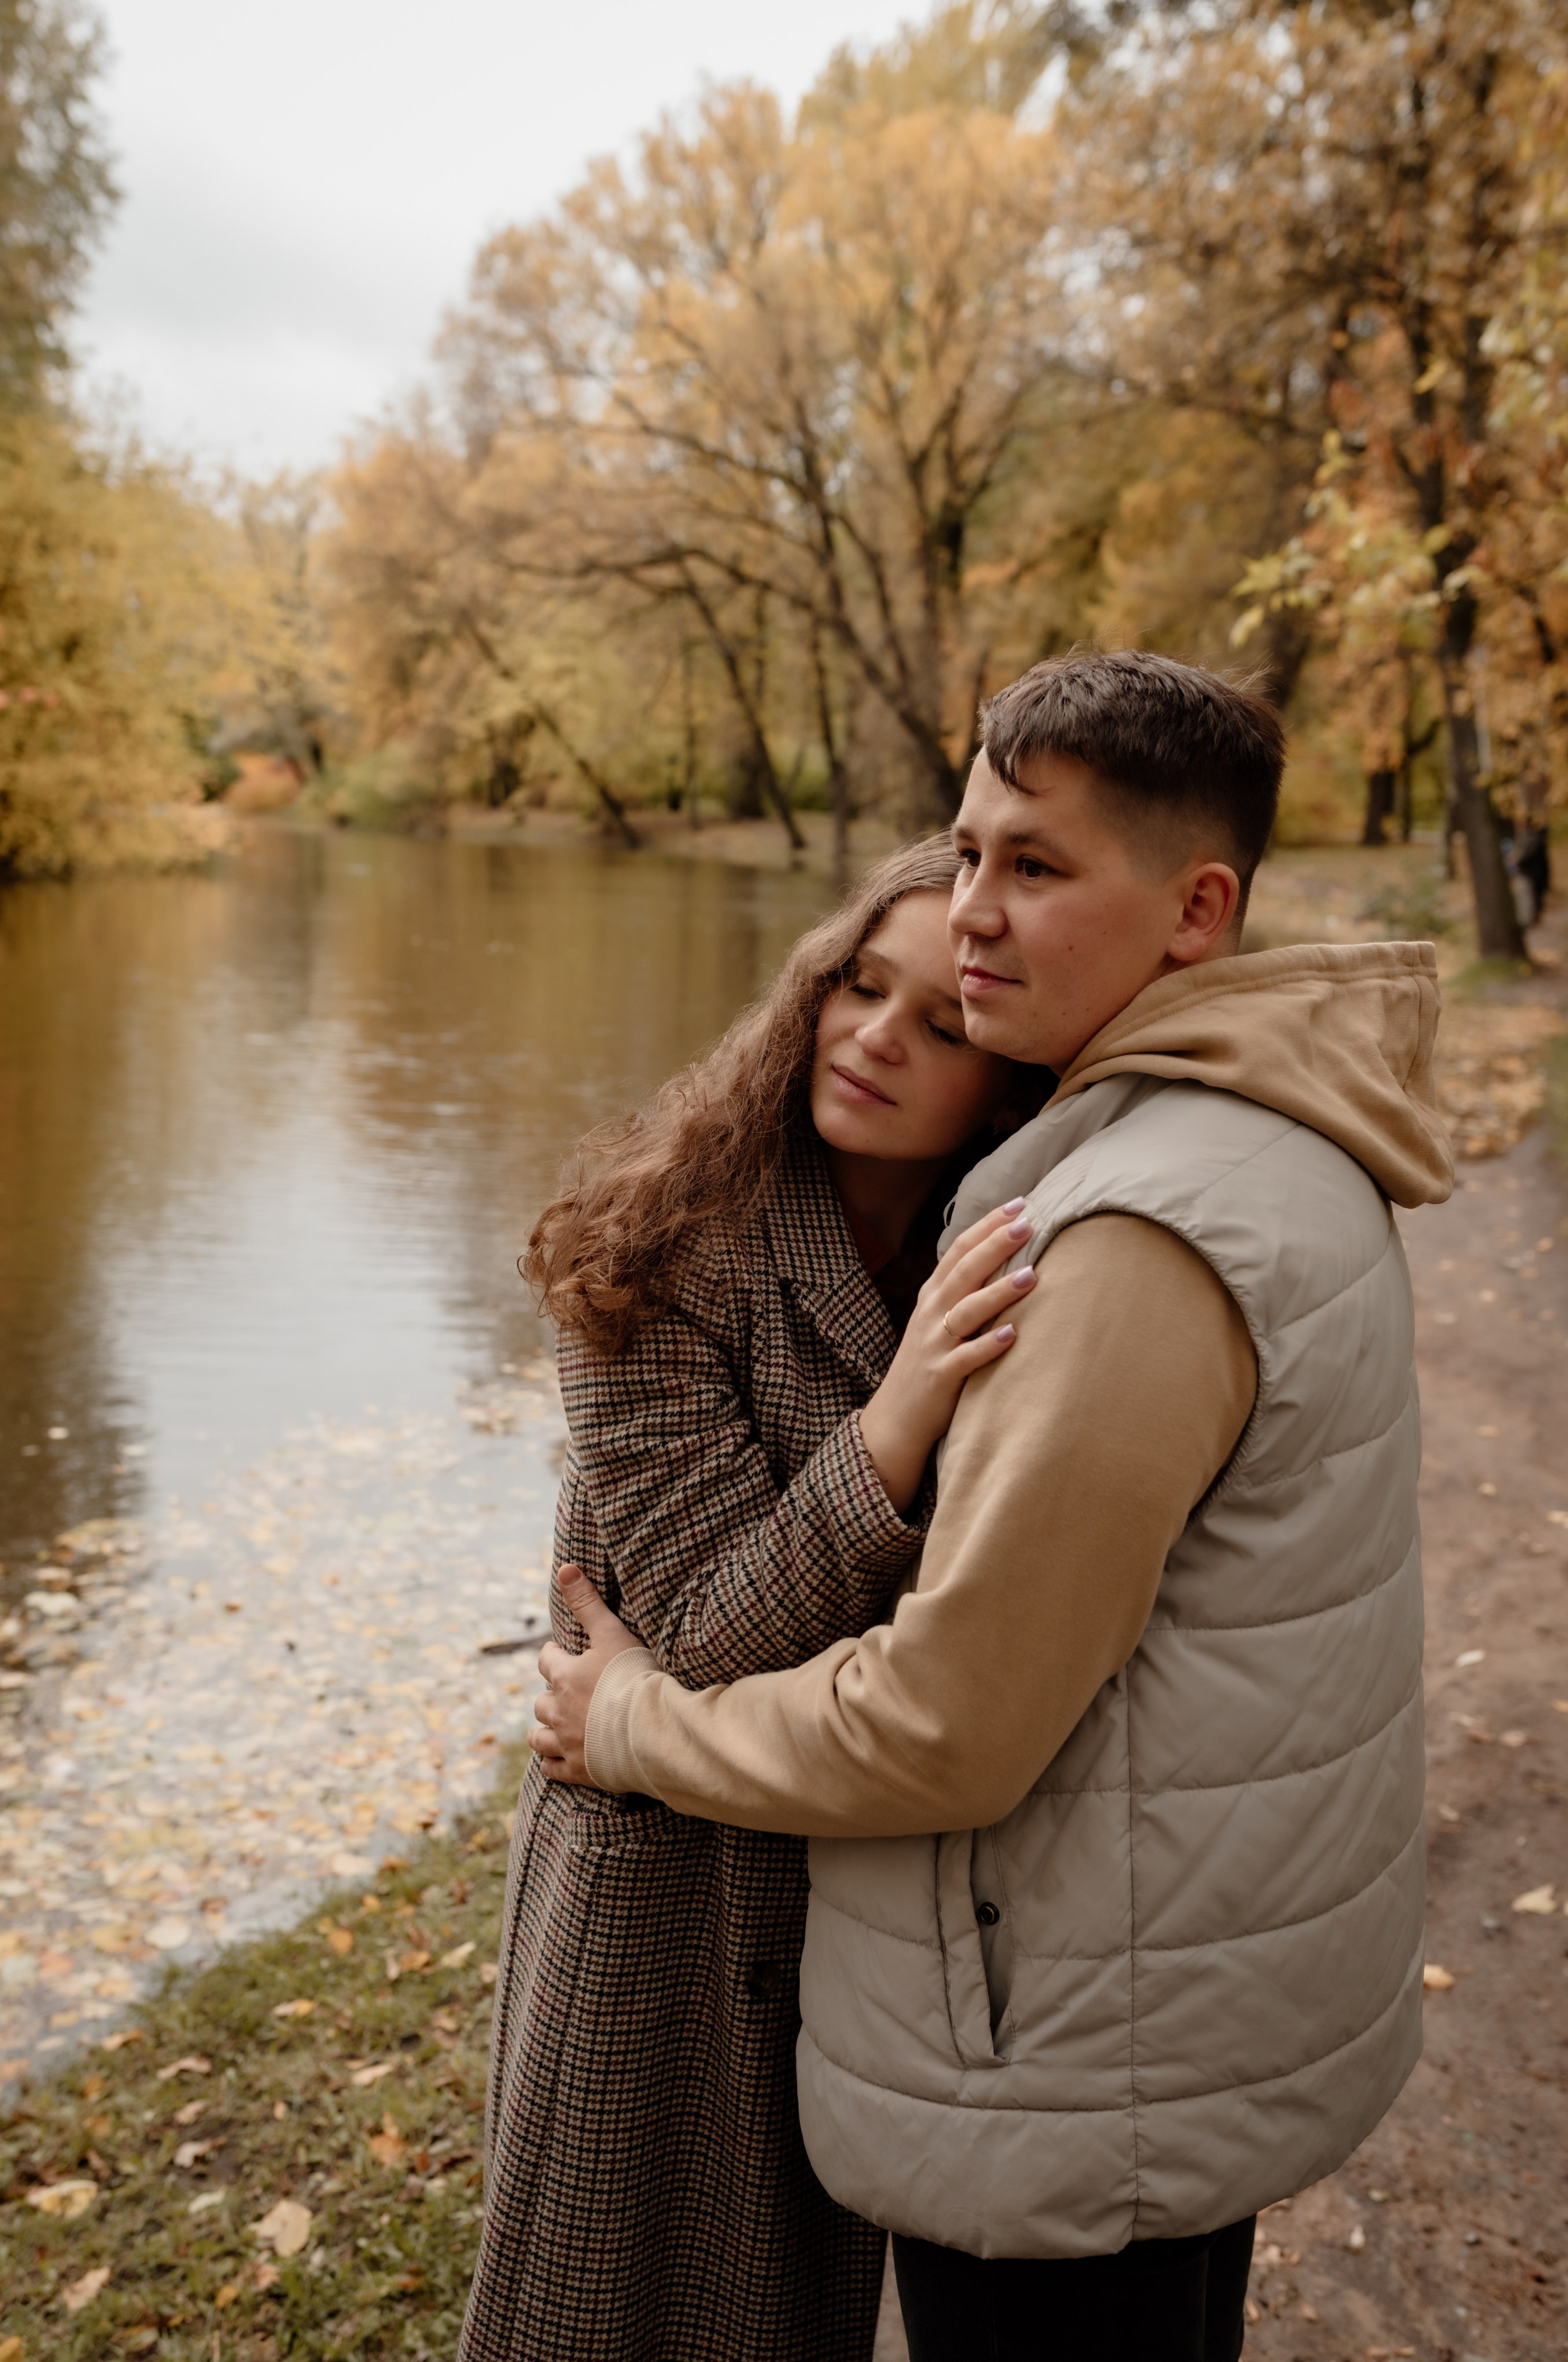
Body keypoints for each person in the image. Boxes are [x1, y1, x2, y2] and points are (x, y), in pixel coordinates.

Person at [532, 650, 1457, 2362]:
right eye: (964, 856)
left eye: (1032, 868)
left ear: (1194, 912)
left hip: (1067, 2048)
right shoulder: (1252, 1147)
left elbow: (948, 1725)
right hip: (1060, 1998)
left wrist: (637, 1721)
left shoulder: (1110, 1232)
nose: (968, 920)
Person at [458, 837, 1049, 2362]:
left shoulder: (1001, 1259)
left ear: (1003, 1077)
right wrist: (899, 1416)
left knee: (792, 2313)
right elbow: (706, 1636)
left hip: (874, 1871)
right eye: (861, 986)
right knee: (613, 2306)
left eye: (941, 1025)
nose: (875, 1039)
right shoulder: (648, 1245)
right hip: (660, 1881)